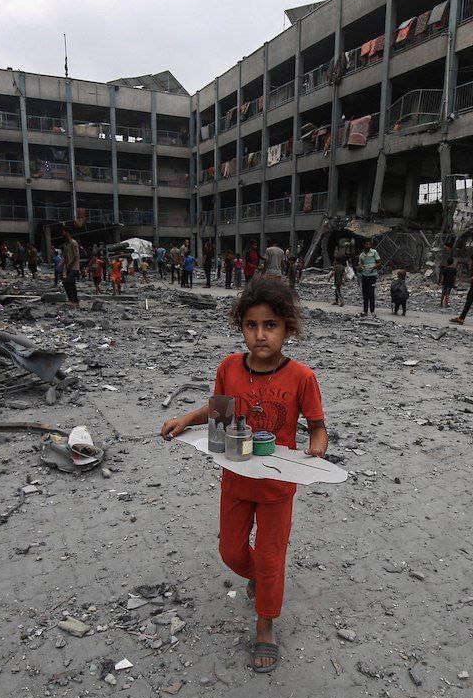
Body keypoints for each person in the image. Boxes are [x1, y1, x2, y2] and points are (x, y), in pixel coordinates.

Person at [160, 276, 328, 673]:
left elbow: (318, 427)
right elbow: (218, 412)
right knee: (232, 552)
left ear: (288, 328)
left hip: (277, 486)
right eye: (251, 325)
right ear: (241, 328)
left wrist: (317, 447)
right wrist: (185, 419)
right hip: (235, 479)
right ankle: (263, 578)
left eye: (270, 325)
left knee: (271, 557)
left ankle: (265, 624)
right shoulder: (229, 368)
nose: (260, 335)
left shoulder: (302, 377)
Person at [357, 239, 380, 316]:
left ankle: (372, 311)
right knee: (365, 294)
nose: (368, 246)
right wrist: (360, 268)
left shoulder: (374, 252)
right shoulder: (361, 255)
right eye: (366, 244)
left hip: (372, 276)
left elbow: (379, 262)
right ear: (364, 245)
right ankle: (365, 311)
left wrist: (373, 268)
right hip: (364, 276)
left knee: (371, 293)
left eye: (369, 244)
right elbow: (360, 266)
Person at [60, 227, 81, 305]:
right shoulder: (66, 245)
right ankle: (74, 301)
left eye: (63, 232)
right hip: (69, 267)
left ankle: (73, 300)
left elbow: (76, 256)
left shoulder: (74, 243)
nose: (62, 234)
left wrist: (70, 264)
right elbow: (64, 257)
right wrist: (60, 265)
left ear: (67, 232)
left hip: (74, 267)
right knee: (71, 284)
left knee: (67, 282)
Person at [332, 239, 352, 306]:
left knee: (337, 291)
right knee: (336, 290)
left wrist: (328, 278)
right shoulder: (342, 267)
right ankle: (336, 301)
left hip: (336, 281)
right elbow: (344, 274)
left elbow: (333, 273)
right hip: (340, 281)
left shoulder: (336, 267)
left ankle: (341, 301)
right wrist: (345, 279)